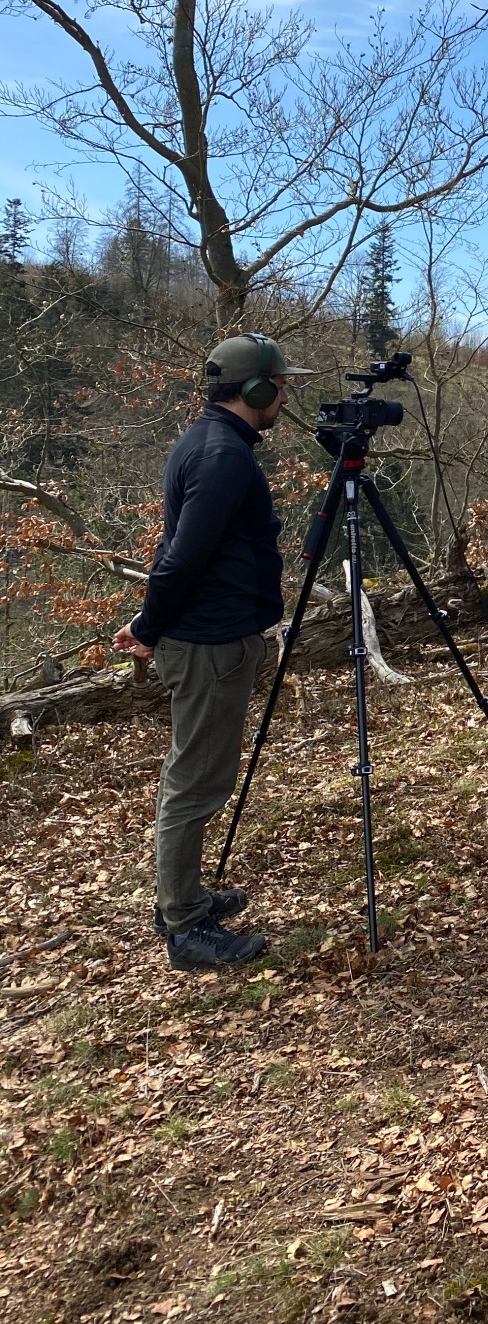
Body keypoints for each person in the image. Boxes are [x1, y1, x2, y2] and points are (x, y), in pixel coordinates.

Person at [112, 333, 312, 971]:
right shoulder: (223, 456)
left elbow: (185, 548)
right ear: (257, 390)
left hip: (214, 636)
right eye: (281, 385)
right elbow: (182, 556)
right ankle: (184, 927)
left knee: (195, 778)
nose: (285, 395)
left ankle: (184, 896)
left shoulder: (206, 442)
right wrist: (147, 626)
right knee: (195, 783)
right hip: (208, 642)